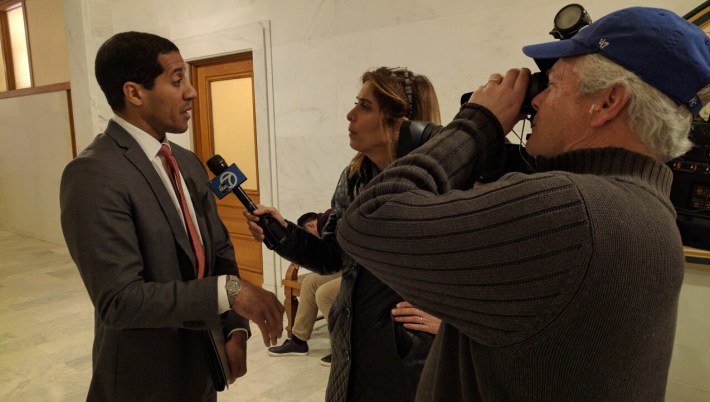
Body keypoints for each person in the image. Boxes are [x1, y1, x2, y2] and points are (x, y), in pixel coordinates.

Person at [337, 7, 710, 401]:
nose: (538, 102)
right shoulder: (647, 210)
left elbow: (368, 220)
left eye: (554, 84)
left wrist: (478, 122)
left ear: (607, 102)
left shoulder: (573, 214)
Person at [59, 31, 284, 401]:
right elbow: (120, 300)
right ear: (134, 93)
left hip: (201, 370)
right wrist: (230, 292)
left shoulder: (188, 163)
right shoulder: (94, 174)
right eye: (177, 80)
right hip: (142, 380)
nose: (191, 91)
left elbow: (220, 250)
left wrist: (234, 330)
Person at [246, 67, 442, 401]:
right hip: (353, 342)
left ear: (400, 122)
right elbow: (332, 256)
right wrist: (282, 233)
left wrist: (452, 324)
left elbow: (480, 272)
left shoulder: (442, 180)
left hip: (414, 355)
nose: (350, 115)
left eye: (364, 107)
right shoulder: (354, 177)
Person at [268, 210, 342, 368]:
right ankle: (298, 341)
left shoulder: (330, 221)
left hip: (367, 270)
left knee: (324, 293)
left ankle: (345, 347)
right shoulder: (332, 216)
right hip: (349, 266)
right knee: (310, 281)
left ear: (310, 225)